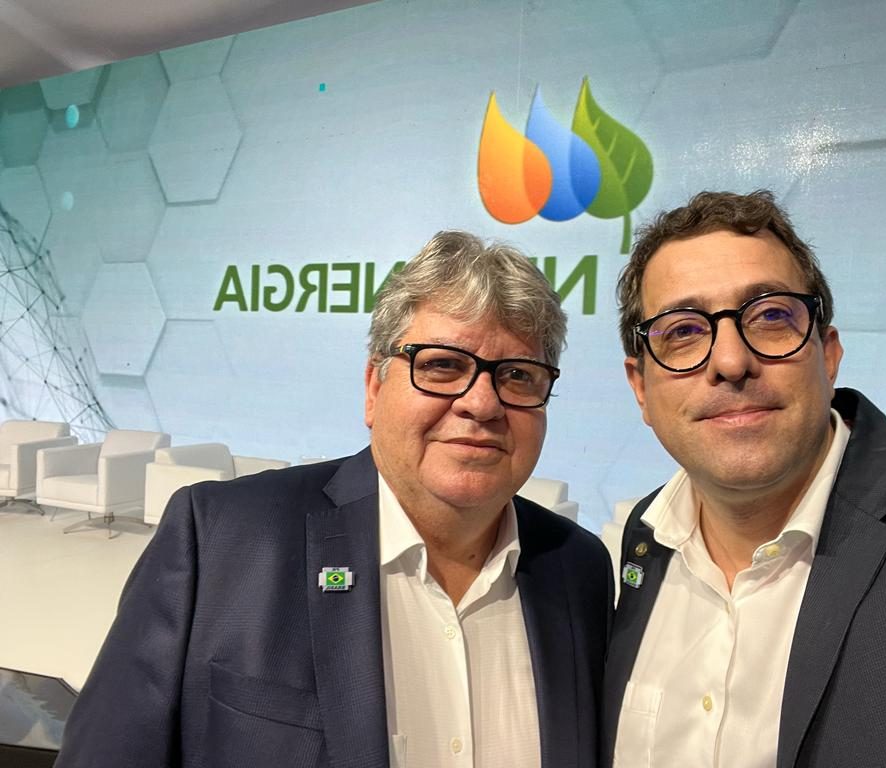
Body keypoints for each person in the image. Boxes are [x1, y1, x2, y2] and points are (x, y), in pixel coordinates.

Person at [56, 231, 613, 768]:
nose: (482, 403)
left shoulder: (577, 570)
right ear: (374, 388)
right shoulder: (221, 541)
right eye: (443, 365)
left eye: (518, 375)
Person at [603, 190, 886, 768]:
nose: (730, 362)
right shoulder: (638, 545)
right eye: (682, 331)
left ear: (828, 353)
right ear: (641, 387)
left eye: (771, 317)